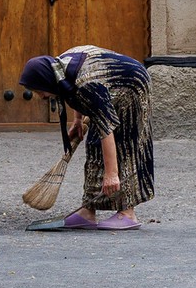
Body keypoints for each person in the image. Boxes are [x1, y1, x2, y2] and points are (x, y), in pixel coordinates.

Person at [18, 45, 153, 230]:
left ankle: (127, 212)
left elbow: (106, 128)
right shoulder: (59, 70)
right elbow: (72, 90)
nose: (39, 95)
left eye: (39, 90)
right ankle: (88, 211)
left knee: (124, 144)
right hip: (102, 85)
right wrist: (78, 119)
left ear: (45, 80)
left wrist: (111, 174)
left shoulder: (87, 82)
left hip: (131, 86)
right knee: (93, 145)